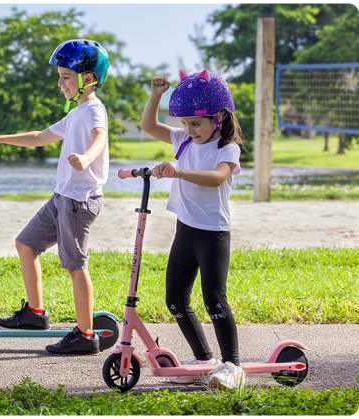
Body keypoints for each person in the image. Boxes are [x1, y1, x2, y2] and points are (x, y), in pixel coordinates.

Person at [0, 39, 111, 355]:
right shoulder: (76, 112)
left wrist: (88, 157)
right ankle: (35, 314)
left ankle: (86, 335)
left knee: (75, 265)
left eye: (66, 76)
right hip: (61, 197)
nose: (60, 82)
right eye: (60, 76)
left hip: (79, 201)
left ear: (88, 78)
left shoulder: (93, 110)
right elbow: (40, 137)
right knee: (25, 244)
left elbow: (101, 138)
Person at [140, 70, 244, 390]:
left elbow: (217, 177)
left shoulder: (227, 149)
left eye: (195, 123)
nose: (189, 130)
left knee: (214, 301)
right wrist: (156, 95)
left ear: (220, 117)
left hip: (212, 233)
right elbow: (148, 126)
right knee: (175, 299)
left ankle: (233, 366)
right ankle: (204, 360)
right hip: (186, 229)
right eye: (184, 123)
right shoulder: (184, 138)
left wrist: (178, 172)